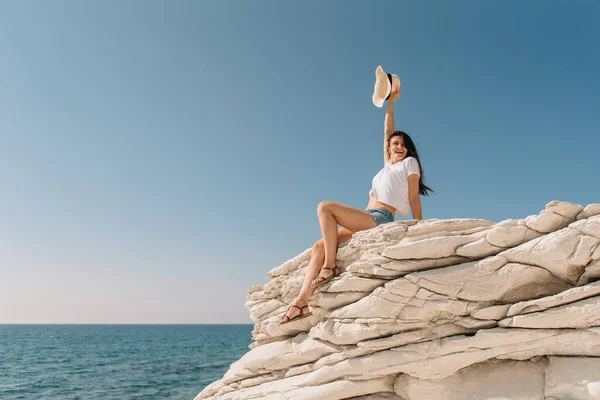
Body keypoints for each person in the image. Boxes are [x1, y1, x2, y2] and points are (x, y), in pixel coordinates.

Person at [279, 86, 432, 324]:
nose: (398, 147)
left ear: (408, 148)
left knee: (325, 207)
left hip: (379, 218)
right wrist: (391, 103)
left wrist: (418, 228)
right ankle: (302, 302)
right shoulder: (387, 167)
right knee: (318, 246)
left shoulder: (409, 164)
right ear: (389, 149)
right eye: (394, 144)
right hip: (366, 216)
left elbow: (413, 197)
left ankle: (330, 267)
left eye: (402, 144)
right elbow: (386, 132)